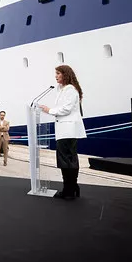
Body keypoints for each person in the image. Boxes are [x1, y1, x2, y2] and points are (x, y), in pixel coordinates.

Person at [40, 65, 86, 200]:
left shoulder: (70, 90)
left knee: (66, 160)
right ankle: (72, 187)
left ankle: (69, 190)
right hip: (64, 130)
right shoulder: (62, 89)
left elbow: (66, 109)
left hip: (68, 129)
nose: (56, 76)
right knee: (68, 159)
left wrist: (49, 110)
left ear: (65, 74)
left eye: (58, 73)